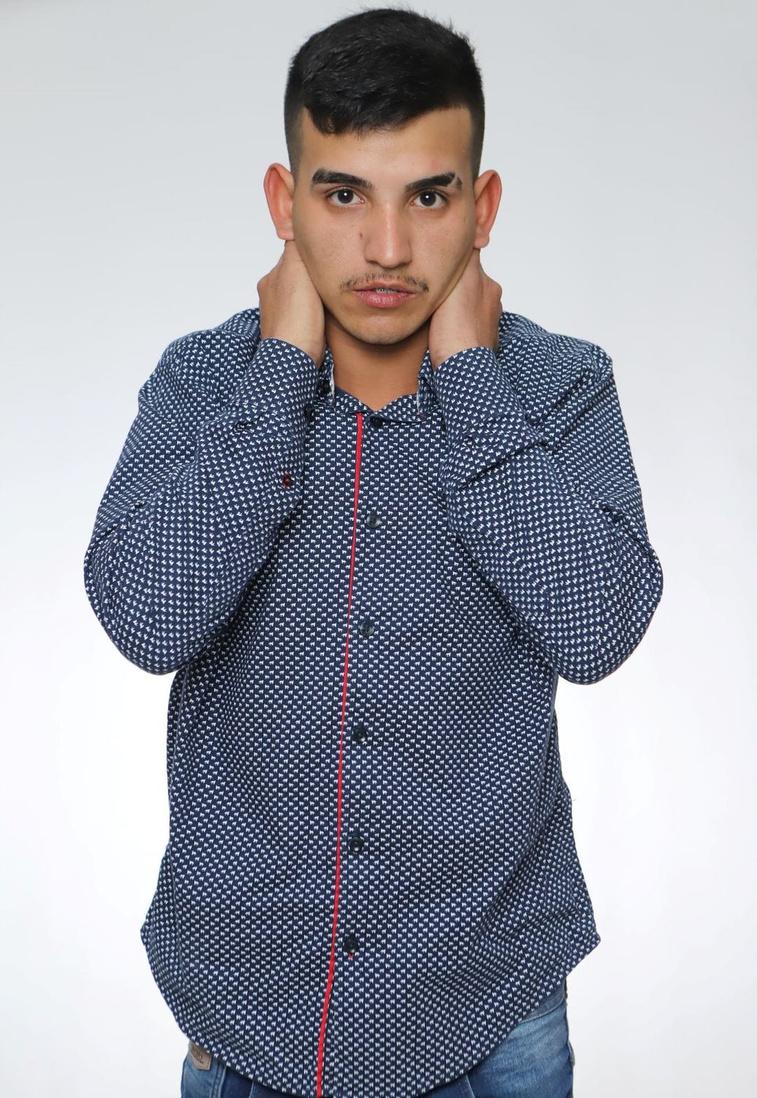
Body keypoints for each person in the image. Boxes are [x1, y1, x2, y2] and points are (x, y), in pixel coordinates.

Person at [82, 8, 664, 1098]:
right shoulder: (205, 384)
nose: (387, 249)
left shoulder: (558, 387)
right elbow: (149, 617)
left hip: (489, 1016)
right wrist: (278, 373)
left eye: (428, 197)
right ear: (283, 202)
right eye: (343, 195)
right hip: (251, 1015)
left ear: (481, 207)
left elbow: (595, 631)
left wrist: (473, 385)